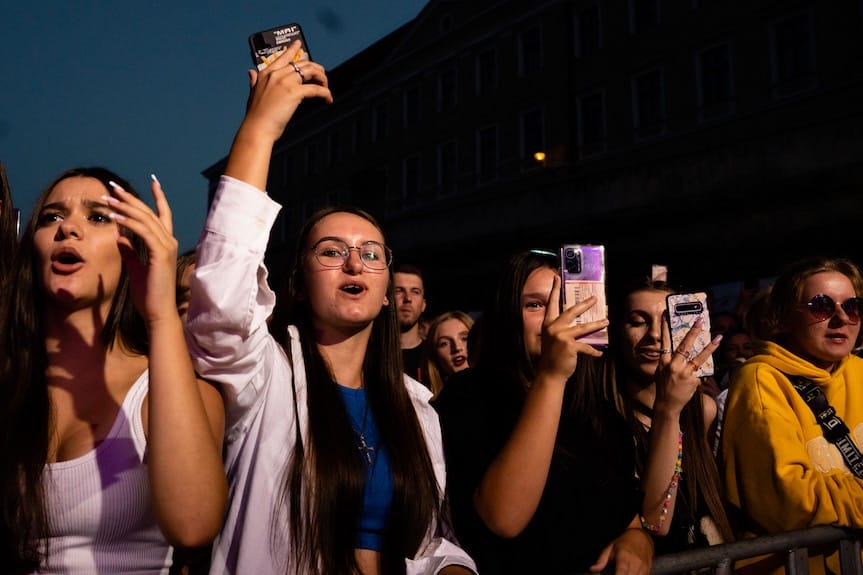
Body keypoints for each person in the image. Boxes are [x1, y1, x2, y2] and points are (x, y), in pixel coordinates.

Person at [184, 43, 475, 575]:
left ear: (388, 289)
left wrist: (452, 568)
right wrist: (260, 130)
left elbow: (433, 541)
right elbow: (221, 301)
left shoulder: (417, 409)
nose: (354, 264)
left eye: (370, 254)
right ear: (295, 285)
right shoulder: (262, 376)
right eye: (331, 251)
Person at [0, 167, 226, 573]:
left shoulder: (167, 393)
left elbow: (193, 527)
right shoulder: (10, 381)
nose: (68, 227)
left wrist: (160, 316)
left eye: (97, 217)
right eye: (51, 217)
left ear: (132, 249)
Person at [435, 250, 653, 574]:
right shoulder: (470, 394)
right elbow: (503, 519)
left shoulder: (598, 408)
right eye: (535, 305)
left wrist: (639, 540)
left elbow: (628, 516)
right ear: (508, 314)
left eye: (565, 302)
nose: (555, 317)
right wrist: (551, 377)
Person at [721, 257, 863, 575]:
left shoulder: (860, 371)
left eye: (853, 306)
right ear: (783, 318)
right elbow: (788, 499)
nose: (841, 318)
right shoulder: (760, 379)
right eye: (821, 306)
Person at [601, 279, 733, 555]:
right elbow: (655, 522)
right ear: (616, 332)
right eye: (638, 321)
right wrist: (668, 410)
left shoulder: (703, 411)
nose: (655, 335)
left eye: (667, 322)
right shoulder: (604, 419)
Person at [420, 311, 473, 398]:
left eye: (464, 338)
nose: (457, 348)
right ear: (435, 357)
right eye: (444, 343)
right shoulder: (431, 407)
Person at [394, 263, 427, 382]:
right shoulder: (368, 354)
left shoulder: (435, 356)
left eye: (415, 291)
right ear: (385, 298)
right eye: (398, 291)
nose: (408, 298)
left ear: (423, 304)